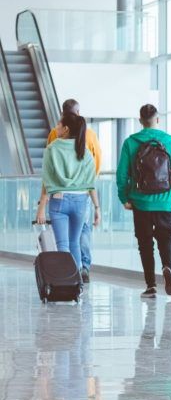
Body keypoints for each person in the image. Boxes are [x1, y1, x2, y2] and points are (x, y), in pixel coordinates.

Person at [116, 104, 171, 299]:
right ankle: (167, 266)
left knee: (145, 243)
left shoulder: (130, 143)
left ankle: (151, 285)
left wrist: (124, 198)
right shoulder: (169, 142)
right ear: (157, 120)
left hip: (140, 202)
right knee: (165, 238)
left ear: (141, 121)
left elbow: (122, 175)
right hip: (165, 202)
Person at [36, 110, 100, 278]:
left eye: (58, 124)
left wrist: (41, 208)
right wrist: (96, 207)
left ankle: (66, 281)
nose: (56, 126)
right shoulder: (84, 151)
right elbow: (90, 182)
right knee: (75, 243)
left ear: (65, 129)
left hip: (59, 200)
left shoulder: (52, 149)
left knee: (62, 245)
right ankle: (77, 281)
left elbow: (47, 180)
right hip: (81, 201)